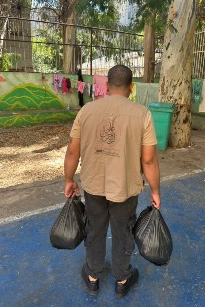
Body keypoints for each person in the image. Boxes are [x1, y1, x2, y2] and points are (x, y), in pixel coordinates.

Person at [63, 65, 160, 298]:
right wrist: (155, 190)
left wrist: (69, 180)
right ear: (131, 87)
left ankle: (93, 276)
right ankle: (122, 278)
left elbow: (72, 152)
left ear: (106, 86)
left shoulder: (86, 110)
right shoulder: (143, 114)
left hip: (94, 185)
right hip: (125, 188)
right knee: (123, 230)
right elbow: (148, 161)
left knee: (94, 228)